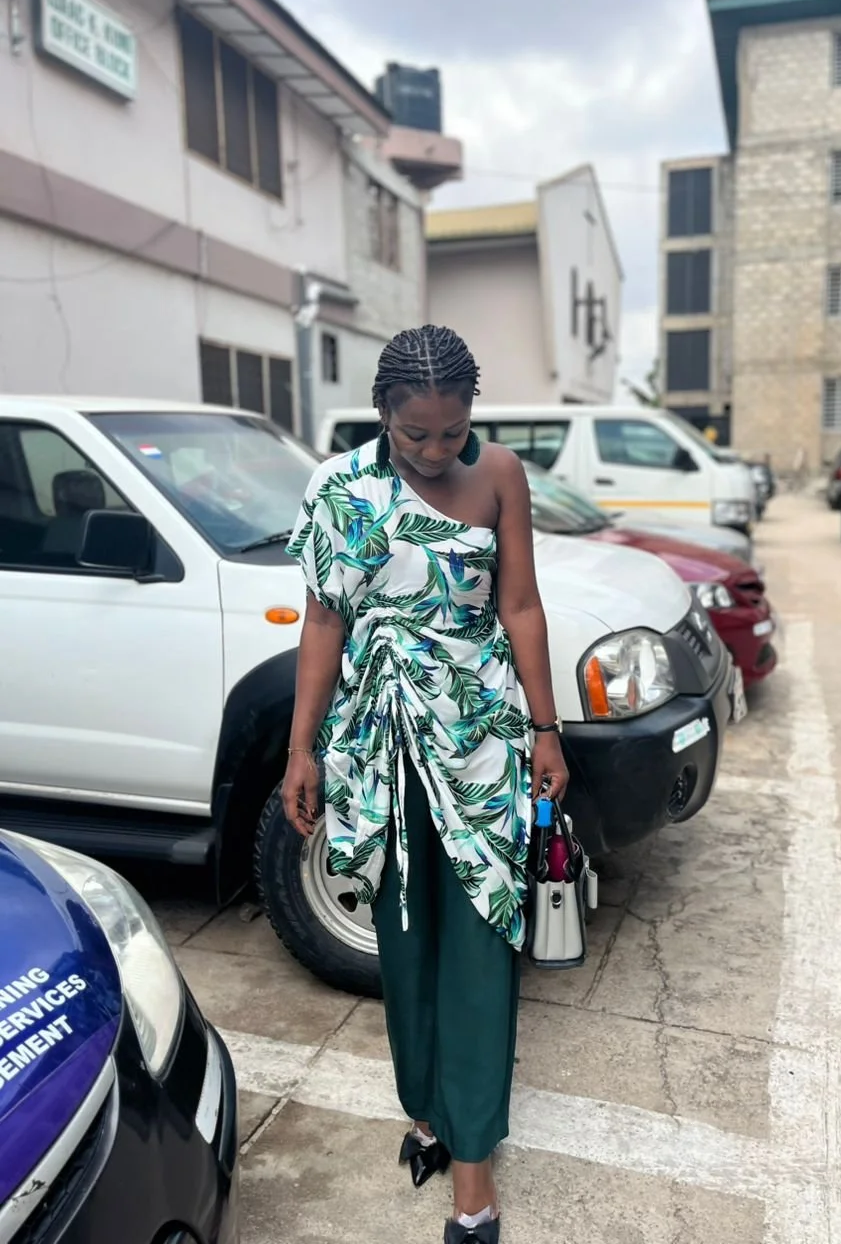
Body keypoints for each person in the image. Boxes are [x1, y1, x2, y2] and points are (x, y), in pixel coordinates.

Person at [280, 324, 568, 1244]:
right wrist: (302, 749)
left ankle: (473, 1184)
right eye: (418, 436)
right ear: (382, 415)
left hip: (478, 739)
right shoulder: (338, 489)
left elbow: (518, 604)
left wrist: (546, 726)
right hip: (379, 734)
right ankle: (428, 1113)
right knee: (403, 938)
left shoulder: (501, 477)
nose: (439, 452)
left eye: (454, 431)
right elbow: (324, 620)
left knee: (482, 940)